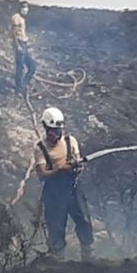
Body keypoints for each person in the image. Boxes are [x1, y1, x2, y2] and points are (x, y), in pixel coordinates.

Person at [33, 107, 94, 261]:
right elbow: (42, 175)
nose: (56, 133)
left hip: (74, 189)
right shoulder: (40, 148)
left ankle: (88, 257)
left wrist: (77, 168)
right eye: (52, 130)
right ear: (46, 128)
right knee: (56, 227)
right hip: (54, 193)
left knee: (84, 222)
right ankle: (58, 262)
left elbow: (80, 164)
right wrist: (60, 169)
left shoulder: (70, 141)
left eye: (58, 129)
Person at [11, 2, 37, 92]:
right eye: (24, 8)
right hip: (19, 44)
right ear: (20, 8)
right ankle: (18, 88)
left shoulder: (22, 19)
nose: (26, 10)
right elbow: (13, 33)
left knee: (32, 66)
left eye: (27, 8)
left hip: (24, 44)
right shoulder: (16, 18)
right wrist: (17, 46)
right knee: (20, 67)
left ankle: (23, 85)